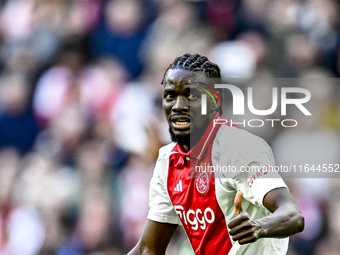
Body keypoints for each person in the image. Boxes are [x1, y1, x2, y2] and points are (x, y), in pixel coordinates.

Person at [128, 53, 304, 255]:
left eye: (191, 96)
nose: (178, 106)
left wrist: (259, 226)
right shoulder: (167, 162)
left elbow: (293, 215)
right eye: (170, 96)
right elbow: (148, 249)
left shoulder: (240, 149)